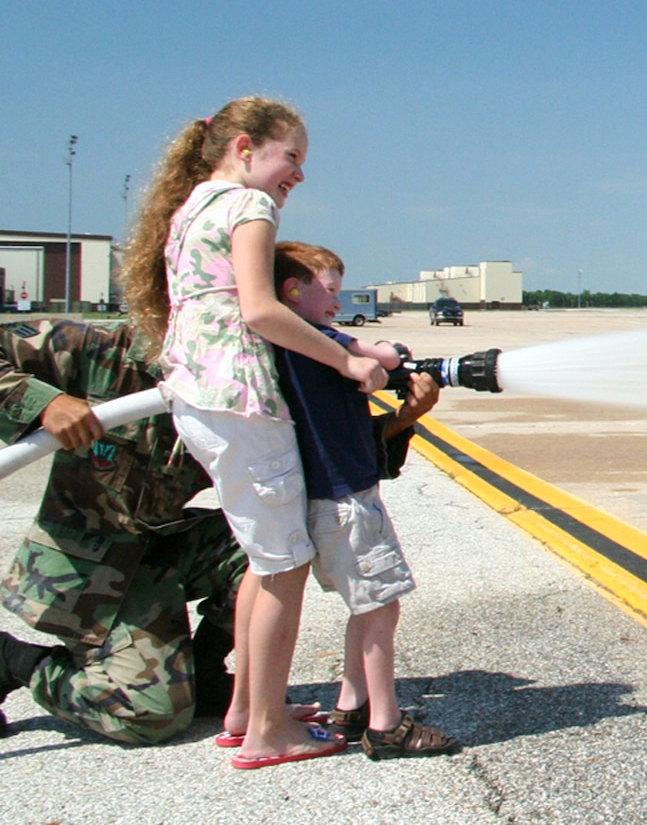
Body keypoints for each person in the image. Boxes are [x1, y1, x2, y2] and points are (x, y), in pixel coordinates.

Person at [122, 97, 388, 769]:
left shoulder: (190, 209)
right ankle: (270, 732)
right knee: (283, 567)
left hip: (199, 398)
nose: (297, 173)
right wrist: (348, 359)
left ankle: (248, 707)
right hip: (241, 401)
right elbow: (263, 310)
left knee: (260, 559)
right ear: (244, 147)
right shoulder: (249, 206)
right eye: (290, 156)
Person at [0, 319, 239, 743]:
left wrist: (394, 421)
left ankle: (202, 673)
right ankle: (11, 659)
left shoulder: (239, 372)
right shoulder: (98, 348)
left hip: (161, 547)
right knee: (149, 716)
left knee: (279, 542)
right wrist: (44, 402)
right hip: (87, 568)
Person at [271, 241, 460, 759]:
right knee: (381, 610)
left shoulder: (296, 348)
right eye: (329, 291)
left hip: (337, 497)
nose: (338, 301)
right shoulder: (313, 342)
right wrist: (394, 357)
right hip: (346, 502)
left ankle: (351, 706)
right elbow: (373, 355)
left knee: (366, 606)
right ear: (292, 290)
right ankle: (387, 724)